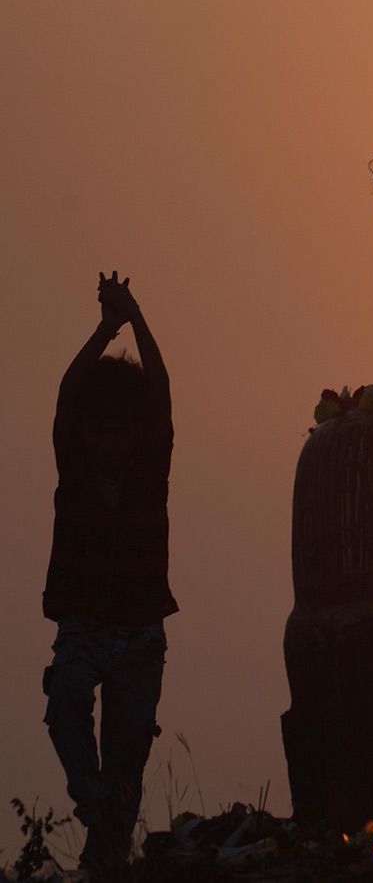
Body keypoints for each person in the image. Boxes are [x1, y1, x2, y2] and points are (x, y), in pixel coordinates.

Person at [43, 272, 177, 876]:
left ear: (138, 432)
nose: (105, 442)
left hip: (141, 636)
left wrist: (138, 318)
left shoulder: (151, 470)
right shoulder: (72, 470)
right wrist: (106, 329)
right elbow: (70, 393)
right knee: (66, 699)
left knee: (127, 759)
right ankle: (92, 810)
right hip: (82, 627)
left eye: (118, 431)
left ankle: (109, 853)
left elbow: (160, 390)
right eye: (97, 431)